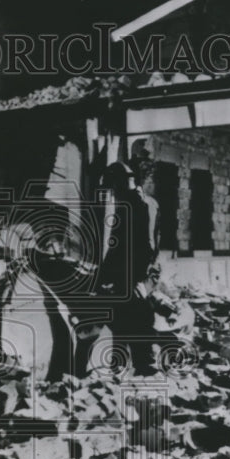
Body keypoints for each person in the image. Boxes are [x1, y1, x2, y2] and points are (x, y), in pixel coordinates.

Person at [97, 161, 160, 375]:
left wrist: (136, 279)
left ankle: (144, 366)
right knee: (123, 319)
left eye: (114, 188)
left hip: (134, 274)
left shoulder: (137, 205)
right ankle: (126, 366)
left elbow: (147, 245)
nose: (113, 194)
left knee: (136, 318)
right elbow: (119, 245)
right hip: (132, 274)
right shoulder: (143, 202)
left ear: (121, 183)